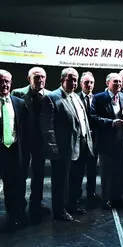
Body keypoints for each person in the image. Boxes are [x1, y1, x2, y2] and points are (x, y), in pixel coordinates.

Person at [41, 67, 93, 221]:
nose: (73, 83)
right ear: (62, 80)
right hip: (63, 149)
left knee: (76, 179)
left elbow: (82, 120)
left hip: (80, 146)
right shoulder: (51, 98)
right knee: (60, 182)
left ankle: (72, 205)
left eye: (75, 80)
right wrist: (53, 148)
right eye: (70, 79)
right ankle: (59, 211)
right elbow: (47, 127)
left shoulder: (76, 97)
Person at [12, 66, 51, 223]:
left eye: (42, 77)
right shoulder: (18, 93)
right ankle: (19, 202)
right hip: (22, 141)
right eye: (36, 77)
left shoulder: (49, 95)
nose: (40, 80)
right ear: (29, 79)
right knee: (20, 173)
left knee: (39, 173)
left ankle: (37, 202)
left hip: (40, 142)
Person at [90, 73, 123, 209]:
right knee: (106, 173)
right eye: (116, 82)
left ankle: (117, 198)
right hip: (106, 143)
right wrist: (112, 123)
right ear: (108, 83)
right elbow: (93, 117)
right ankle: (106, 199)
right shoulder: (98, 98)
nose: (119, 84)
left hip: (121, 142)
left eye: (120, 82)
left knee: (119, 172)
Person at [0, 69, 29, 232]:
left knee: (13, 186)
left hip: (13, 151)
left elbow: (24, 129)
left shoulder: (18, 103)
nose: (4, 84)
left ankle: (14, 217)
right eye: (1, 81)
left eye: (7, 81)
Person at [77, 71, 100, 204]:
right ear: (81, 84)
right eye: (86, 82)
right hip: (80, 139)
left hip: (94, 139)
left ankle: (91, 192)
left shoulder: (97, 98)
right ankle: (77, 194)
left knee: (92, 168)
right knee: (79, 168)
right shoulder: (76, 98)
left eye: (91, 82)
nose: (89, 85)